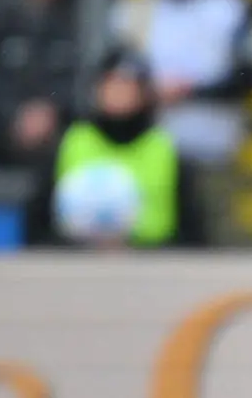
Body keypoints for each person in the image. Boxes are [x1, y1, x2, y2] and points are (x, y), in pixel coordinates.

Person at [21, 47, 208, 249]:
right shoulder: (70, 144)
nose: (120, 93)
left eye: (129, 85)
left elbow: (192, 235)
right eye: (112, 84)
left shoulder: (165, 149)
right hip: (76, 266)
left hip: (152, 265)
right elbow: (37, 229)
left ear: (145, 92)